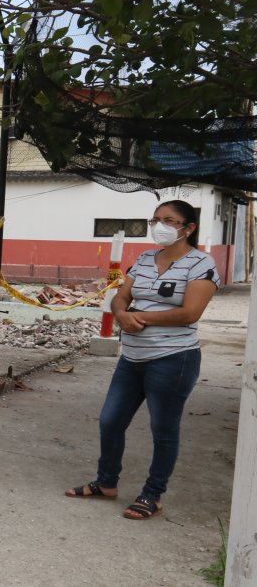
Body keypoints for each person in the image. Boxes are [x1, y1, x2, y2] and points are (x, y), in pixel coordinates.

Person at [66, 200, 219, 520]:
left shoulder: (201, 264)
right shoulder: (146, 258)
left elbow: (191, 313)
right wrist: (121, 314)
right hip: (132, 358)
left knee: (163, 428)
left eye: (169, 220)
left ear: (188, 228)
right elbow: (122, 296)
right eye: (155, 219)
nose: (159, 226)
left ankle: (153, 494)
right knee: (110, 420)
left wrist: (141, 319)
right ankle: (106, 483)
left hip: (173, 359)